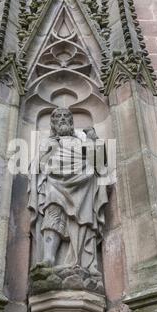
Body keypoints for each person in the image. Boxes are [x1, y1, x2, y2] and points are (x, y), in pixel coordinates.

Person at [28, 107, 109, 273]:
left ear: (71, 122)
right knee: (52, 211)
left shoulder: (81, 139)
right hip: (55, 182)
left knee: (82, 218)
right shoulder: (48, 142)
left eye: (66, 116)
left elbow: (99, 163)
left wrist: (94, 141)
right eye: (58, 116)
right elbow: (38, 165)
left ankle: (83, 261)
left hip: (83, 182)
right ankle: (49, 258)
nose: (63, 119)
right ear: (53, 123)